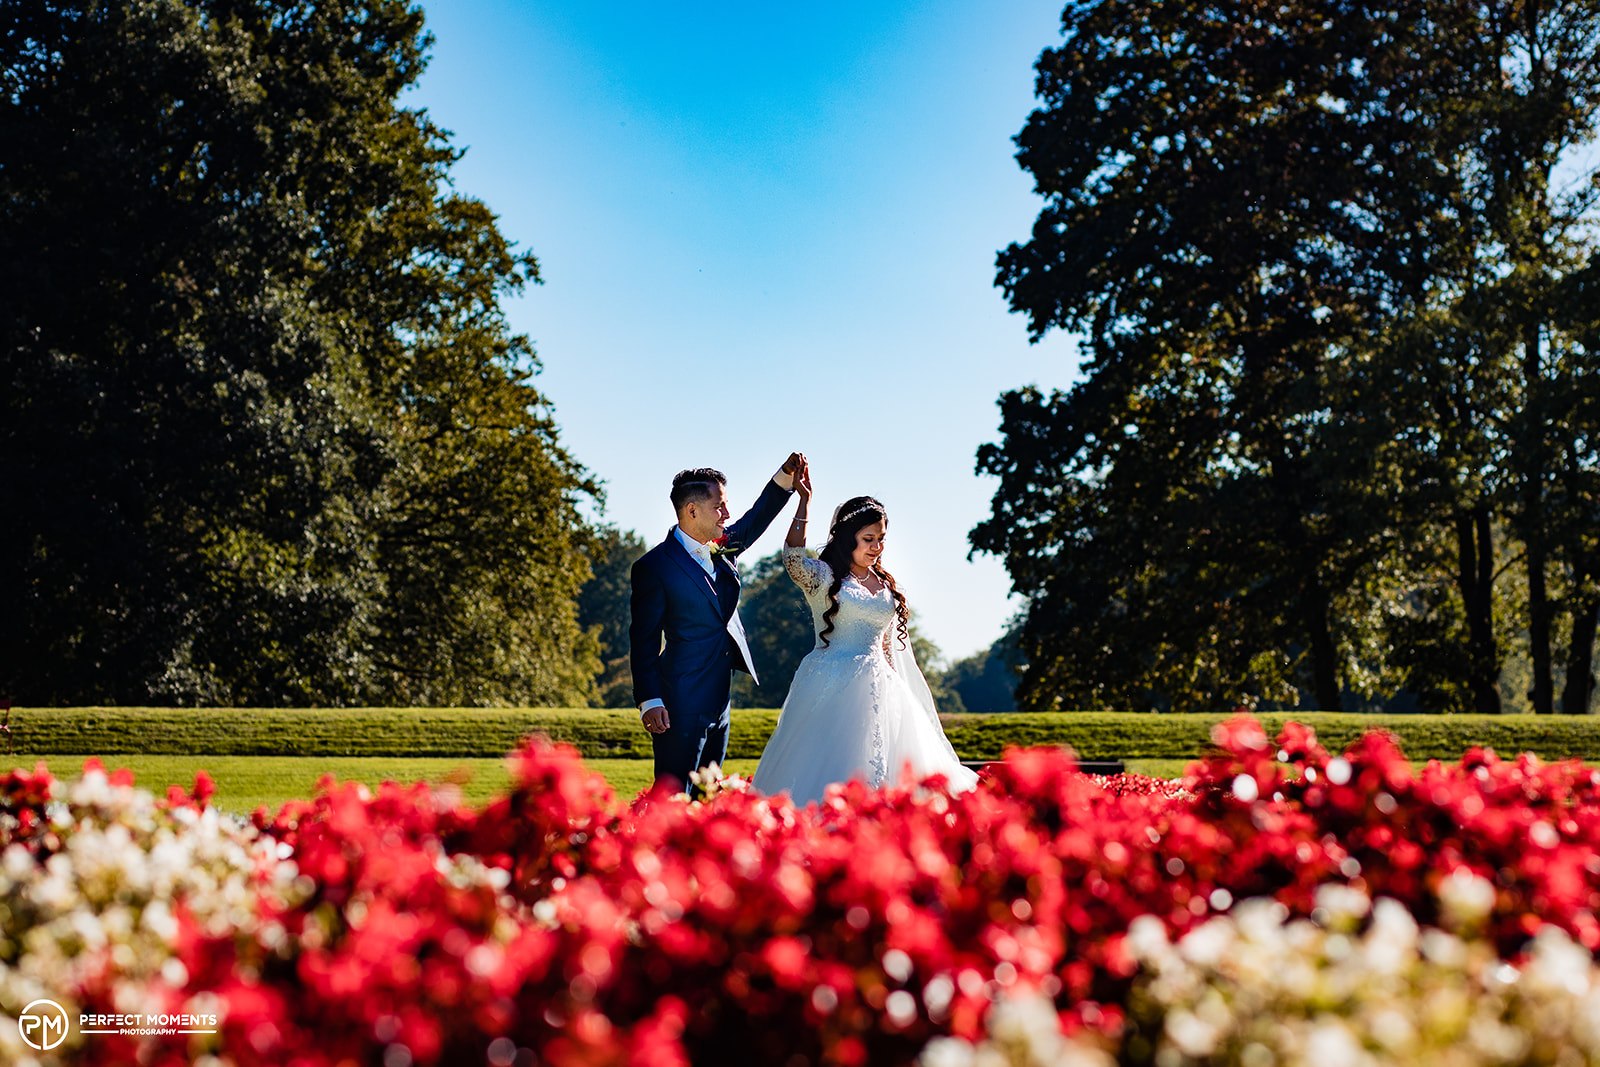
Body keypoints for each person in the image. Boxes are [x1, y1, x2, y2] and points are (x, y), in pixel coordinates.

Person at [751, 475, 978, 805]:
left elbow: (887, 646)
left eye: (881, 539)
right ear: (847, 538)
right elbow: (793, 560)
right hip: (831, 685)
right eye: (868, 539)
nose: (877, 547)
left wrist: (898, 691)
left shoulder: (884, 582)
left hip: (884, 688)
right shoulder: (823, 577)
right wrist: (804, 502)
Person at [630, 456, 805, 793]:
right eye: (719, 506)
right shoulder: (654, 567)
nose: (727, 513)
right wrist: (650, 699)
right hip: (678, 702)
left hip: (720, 703)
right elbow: (643, 639)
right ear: (692, 510)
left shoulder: (722, 547)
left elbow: (755, 519)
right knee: (673, 799)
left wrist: (785, 477)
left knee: (707, 799)